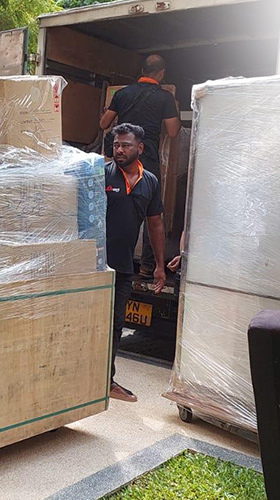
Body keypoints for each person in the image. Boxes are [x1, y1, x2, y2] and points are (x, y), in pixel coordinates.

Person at [100, 54, 180, 277]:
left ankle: (108, 261)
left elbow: (104, 123)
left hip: (121, 160)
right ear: (161, 73)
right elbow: (173, 131)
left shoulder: (122, 94)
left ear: (142, 71)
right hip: (146, 159)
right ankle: (147, 265)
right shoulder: (165, 98)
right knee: (151, 213)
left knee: (115, 206)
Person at [104, 123, 166, 403]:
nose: (119, 150)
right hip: (94, 266)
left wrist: (159, 266)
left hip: (123, 266)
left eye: (125, 145)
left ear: (140, 148)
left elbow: (155, 224)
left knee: (116, 325)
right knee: (89, 321)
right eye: (116, 145)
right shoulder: (101, 174)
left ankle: (106, 380)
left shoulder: (150, 181)